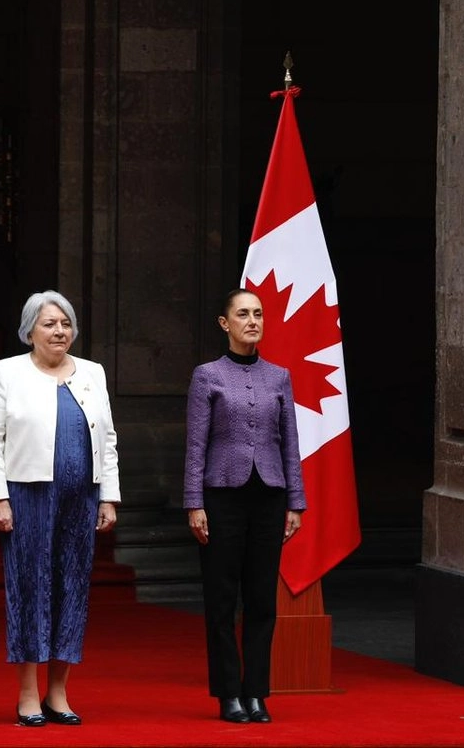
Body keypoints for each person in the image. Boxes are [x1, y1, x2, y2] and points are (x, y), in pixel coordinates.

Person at [0, 290, 121, 727]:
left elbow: (108, 440)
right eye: (49, 324)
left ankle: (58, 692)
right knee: (29, 588)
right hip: (27, 497)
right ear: (29, 331)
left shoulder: (93, 372)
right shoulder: (7, 372)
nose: (59, 331)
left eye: (65, 324)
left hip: (82, 498)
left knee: (71, 589)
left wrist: (109, 496)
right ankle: (27, 694)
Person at [183, 288, 306, 724]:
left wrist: (296, 501)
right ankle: (228, 693)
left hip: (269, 496)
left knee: (261, 601)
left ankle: (257, 692)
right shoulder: (207, 376)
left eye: (258, 314)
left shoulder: (279, 377)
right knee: (221, 600)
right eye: (243, 314)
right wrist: (194, 503)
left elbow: (290, 442)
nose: (252, 321)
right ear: (225, 323)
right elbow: (196, 444)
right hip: (221, 497)